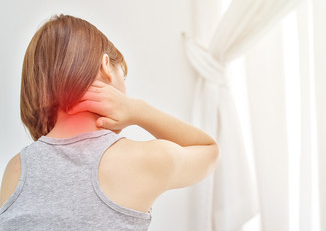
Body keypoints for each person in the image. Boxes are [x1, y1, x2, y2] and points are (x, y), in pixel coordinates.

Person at [0, 14, 221, 230]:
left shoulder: (16, 170)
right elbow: (209, 151)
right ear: (105, 66)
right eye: (122, 77)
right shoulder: (144, 160)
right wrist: (139, 110)